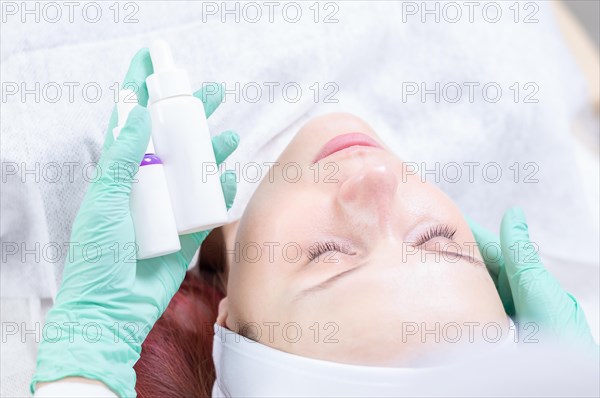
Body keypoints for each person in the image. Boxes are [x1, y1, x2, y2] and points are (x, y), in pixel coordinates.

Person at [31, 50, 595, 398]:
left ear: (229, 322)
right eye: (438, 240)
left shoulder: (49, 170)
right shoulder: (497, 108)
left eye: (328, 253)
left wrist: (86, 360)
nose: (376, 178)